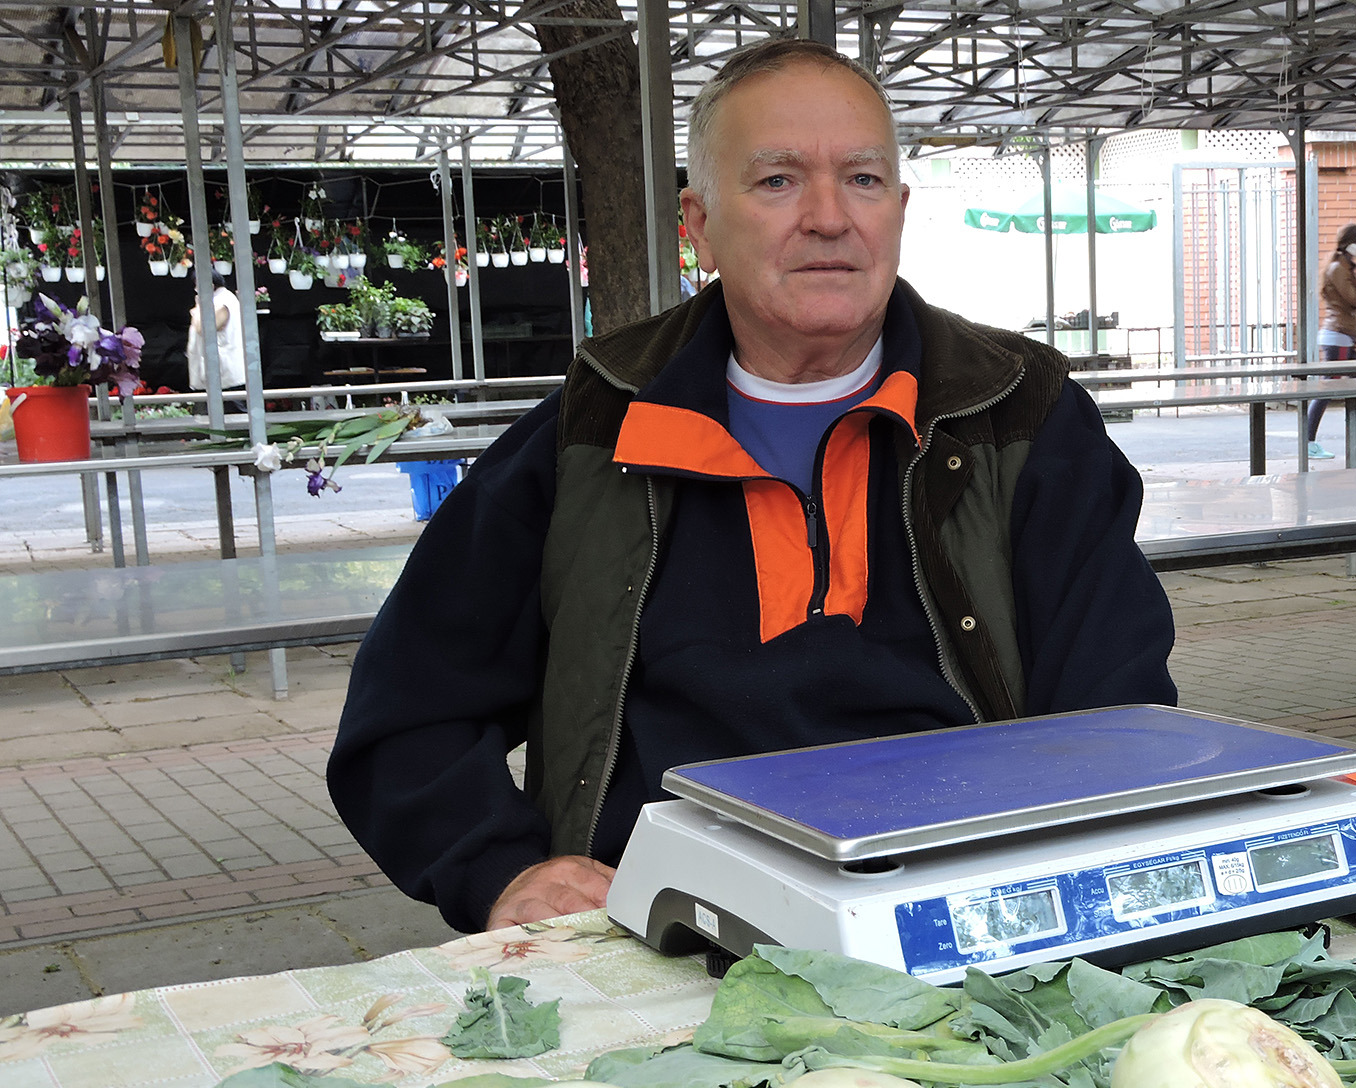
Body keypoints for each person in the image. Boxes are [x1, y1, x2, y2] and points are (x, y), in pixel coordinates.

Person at [325, 38, 1178, 934]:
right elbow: (406, 713)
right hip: (666, 935)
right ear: (698, 224)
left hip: (961, 922)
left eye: (863, 179)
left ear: (898, 211)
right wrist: (500, 868)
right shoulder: (592, 431)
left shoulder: (1022, 417)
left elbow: (1116, 719)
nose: (828, 218)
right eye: (777, 181)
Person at [1301, 224, 1356, 461]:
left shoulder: (1343, 268)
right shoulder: (1337, 269)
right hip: (1337, 337)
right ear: (1350, 244)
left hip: (1342, 336)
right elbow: (1355, 300)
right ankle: (1307, 441)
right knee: (1329, 388)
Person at [186, 280, 245, 391]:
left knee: (228, 402)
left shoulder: (222, 302)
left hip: (224, 377)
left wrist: (198, 308)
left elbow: (202, 328)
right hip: (219, 375)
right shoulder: (220, 299)